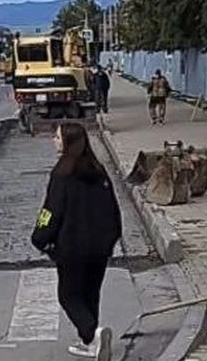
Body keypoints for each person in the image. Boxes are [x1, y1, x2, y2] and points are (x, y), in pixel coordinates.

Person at [30, 122, 122, 361]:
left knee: (68, 295)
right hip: (100, 247)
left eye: (58, 137)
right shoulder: (98, 170)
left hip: (72, 247)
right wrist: (112, 237)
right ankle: (90, 342)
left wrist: (40, 237)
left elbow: (51, 210)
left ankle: (92, 335)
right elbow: (113, 207)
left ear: (68, 143)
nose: (54, 140)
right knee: (90, 292)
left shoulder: (62, 173)